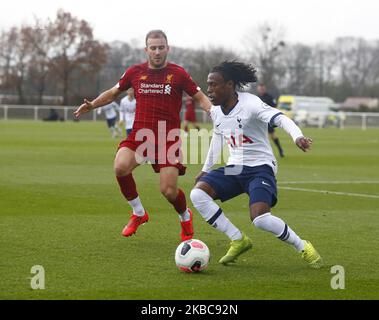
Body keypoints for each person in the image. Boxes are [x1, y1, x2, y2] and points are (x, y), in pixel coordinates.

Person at [74, 30, 212, 241]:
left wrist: (215, 114)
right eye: (153, 48)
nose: (157, 52)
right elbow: (113, 93)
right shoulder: (135, 72)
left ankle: (185, 216)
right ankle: (139, 213)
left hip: (168, 139)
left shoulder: (179, 74)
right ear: (146, 49)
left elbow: (200, 97)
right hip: (140, 136)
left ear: (168, 48)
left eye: (161, 47)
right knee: (120, 167)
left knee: (168, 191)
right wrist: (92, 105)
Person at [190, 61, 323, 268]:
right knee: (197, 194)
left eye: (214, 84)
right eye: (208, 85)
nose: (209, 90)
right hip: (235, 167)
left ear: (230, 85)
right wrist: (206, 169)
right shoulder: (216, 112)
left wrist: (298, 136)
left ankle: (303, 246)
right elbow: (217, 139)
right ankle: (237, 239)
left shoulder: (250, 103)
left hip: (260, 167)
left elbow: (280, 118)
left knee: (260, 219)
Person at [257, 83, 285, 158]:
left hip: (268, 119)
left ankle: (280, 149)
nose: (261, 90)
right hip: (259, 120)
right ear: (258, 89)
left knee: (272, 136)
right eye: (260, 89)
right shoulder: (256, 98)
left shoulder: (269, 97)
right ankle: (261, 153)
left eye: (262, 89)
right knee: (259, 136)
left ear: (264, 89)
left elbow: (274, 106)